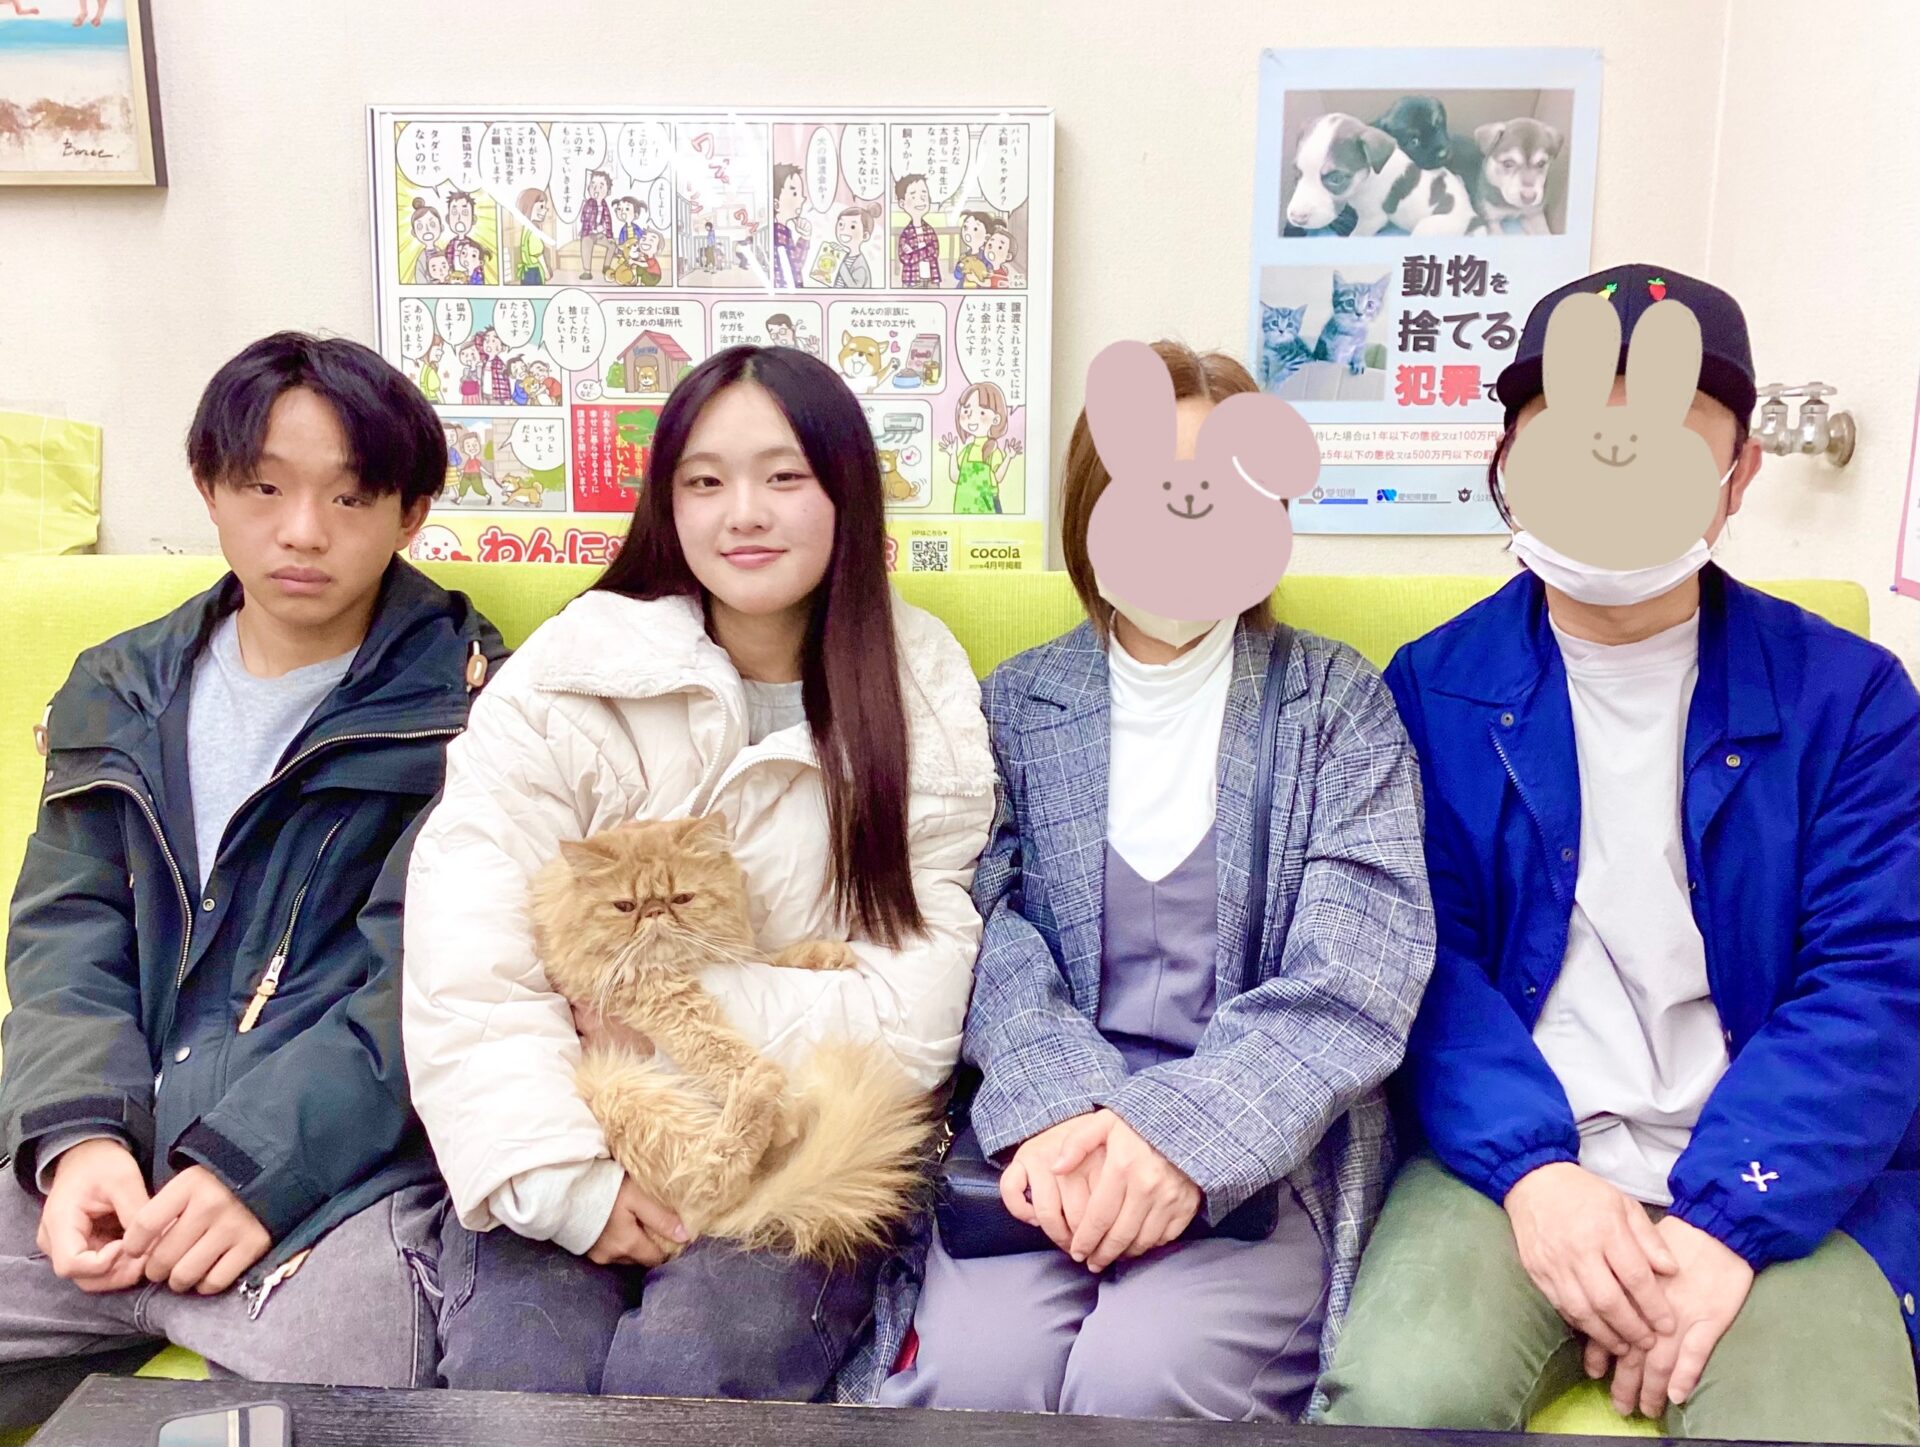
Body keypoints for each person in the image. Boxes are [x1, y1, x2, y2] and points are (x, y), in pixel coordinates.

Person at [1318, 264, 1920, 1445]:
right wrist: (1536, 1173)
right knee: (1400, 1399)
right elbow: (1423, 967)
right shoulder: (1430, 688)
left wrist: (1728, 1222)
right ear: (1507, 458)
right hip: (1511, 1161)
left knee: (1820, 1424)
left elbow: (1876, 979)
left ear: (1741, 471)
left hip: (1783, 1168)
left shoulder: (1852, 700)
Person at [401, 344, 997, 1399]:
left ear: (846, 492)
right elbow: (469, 949)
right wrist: (564, 1185)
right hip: (568, 1123)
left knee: (687, 1374)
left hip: (801, 1150)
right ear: (666, 503)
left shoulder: (919, 685)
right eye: (706, 481)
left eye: (785, 476)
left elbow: (916, 1003)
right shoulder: (569, 674)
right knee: (520, 1378)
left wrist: (657, 1011)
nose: (744, 514)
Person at [866, 339, 1435, 1420]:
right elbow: (976, 919)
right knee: (976, 1377)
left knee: (1142, 1378)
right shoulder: (1014, 703)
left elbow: (1360, 967)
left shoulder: (1336, 704)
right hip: (1045, 1144)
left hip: (1256, 1156)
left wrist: (1180, 1136)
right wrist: (1060, 1112)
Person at [0, 333, 505, 1429]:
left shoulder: (474, 713)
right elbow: (64, 939)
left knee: (359, 1401)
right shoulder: (118, 686)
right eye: (265, 488)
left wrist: (251, 1167)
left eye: (350, 497)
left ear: (412, 514)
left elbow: (433, 983)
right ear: (210, 490)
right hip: (111, 1161)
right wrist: (78, 1139)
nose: (303, 531)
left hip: (332, 1186)